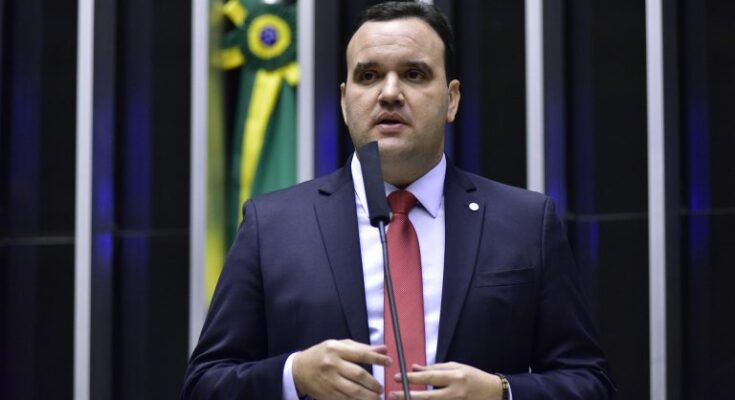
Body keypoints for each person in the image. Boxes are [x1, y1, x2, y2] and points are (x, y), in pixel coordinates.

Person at [182, 1, 615, 399]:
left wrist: (500, 392)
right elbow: (204, 384)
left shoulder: (525, 223)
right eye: (369, 76)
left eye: (414, 74)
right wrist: (293, 375)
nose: (389, 93)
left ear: (451, 100)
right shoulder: (273, 225)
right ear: (345, 102)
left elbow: (591, 383)